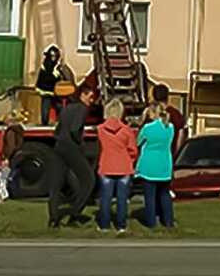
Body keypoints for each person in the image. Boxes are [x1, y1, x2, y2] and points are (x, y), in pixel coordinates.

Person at [48, 92, 91, 228]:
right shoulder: (82, 109)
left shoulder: (67, 108)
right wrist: (80, 144)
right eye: (90, 96)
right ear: (82, 96)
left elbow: (57, 130)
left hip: (59, 145)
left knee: (57, 182)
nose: (92, 100)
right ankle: (75, 212)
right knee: (88, 179)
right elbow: (75, 129)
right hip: (71, 146)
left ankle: (54, 218)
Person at [95, 99, 137, 233]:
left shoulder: (100, 130)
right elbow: (133, 150)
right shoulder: (126, 130)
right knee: (122, 199)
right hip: (124, 166)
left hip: (106, 165)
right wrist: (130, 159)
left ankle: (104, 225)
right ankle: (121, 225)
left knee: (105, 198)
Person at [136, 102, 175, 229]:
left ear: (152, 113)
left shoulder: (148, 128)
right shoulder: (170, 127)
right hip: (165, 164)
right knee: (165, 194)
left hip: (149, 165)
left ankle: (151, 222)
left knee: (150, 196)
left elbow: (138, 142)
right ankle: (168, 221)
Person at [35, 46, 72, 125]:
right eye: (52, 56)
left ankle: (61, 122)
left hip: (55, 91)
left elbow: (64, 78)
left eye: (55, 56)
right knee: (46, 107)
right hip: (46, 90)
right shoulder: (45, 66)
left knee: (59, 106)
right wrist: (54, 75)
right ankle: (44, 123)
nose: (54, 58)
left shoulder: (57, 66)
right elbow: (46, 78)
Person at [152, 83, 187, 156]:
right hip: (169, 155)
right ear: (168, 97)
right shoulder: (175, 114)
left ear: (154, 97)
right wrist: (177, 155)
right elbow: (181, 135)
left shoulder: (149, 114)